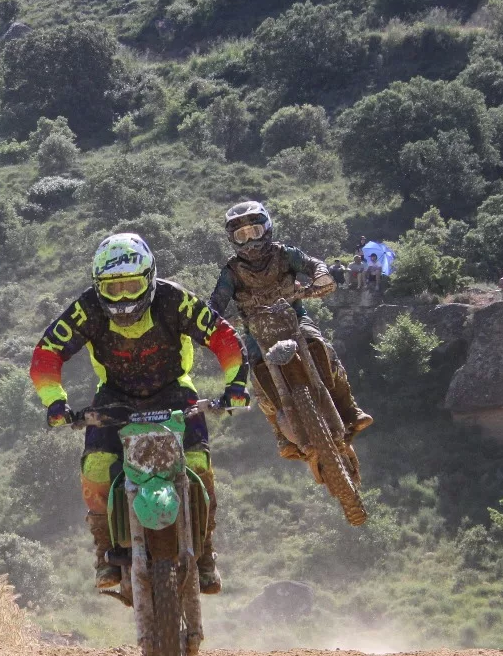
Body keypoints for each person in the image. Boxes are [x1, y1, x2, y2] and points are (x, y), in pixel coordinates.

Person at [30, 233, 248, 596]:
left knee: (199, 465)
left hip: (175, 391)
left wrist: (236, 386)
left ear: (149, 278)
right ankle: (104, 553)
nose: (124, 298)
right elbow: (47, 353)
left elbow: (222, 337)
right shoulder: (87, 309)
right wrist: (56, 403)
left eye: (132, 286)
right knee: (96, 469)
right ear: (99, 287)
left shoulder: (173, 299)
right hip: (114, 398)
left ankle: (206, 554)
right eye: (113, 290)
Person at [208, 201, 374, 464]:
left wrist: (321, 275)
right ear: (232, 240)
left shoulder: (285, 254)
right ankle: (282, 435)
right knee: (259, 384)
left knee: (325, 350)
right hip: (256, 333)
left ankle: (351, 409)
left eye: (254, 231)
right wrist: (208, 318)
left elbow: (313, 264)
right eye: (241, 236)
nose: (249, 240)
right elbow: (217, 300)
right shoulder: (231, 272)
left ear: (267, 229)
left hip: (295, 319)